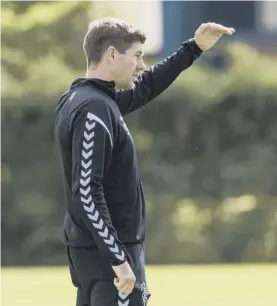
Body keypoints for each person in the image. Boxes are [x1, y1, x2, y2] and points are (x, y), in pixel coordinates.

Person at [54, 17, 235, 306]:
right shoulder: (94, 109)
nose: (141, 64)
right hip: (111, 265)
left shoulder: (90, 100)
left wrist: (194, 48)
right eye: (137, 56)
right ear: (112, 54)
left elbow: (146, 86)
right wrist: (119, 260)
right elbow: (87, 193)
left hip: (100, 259)